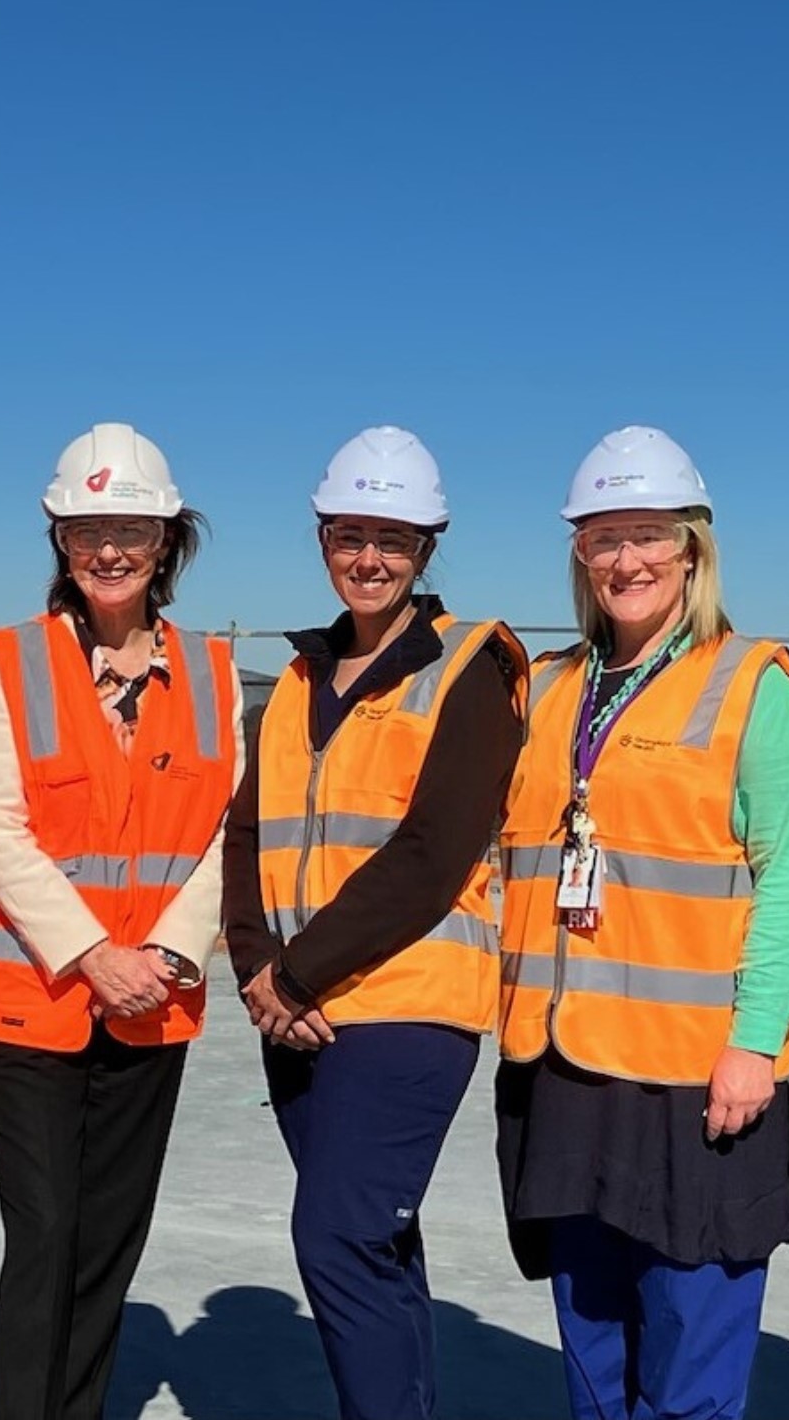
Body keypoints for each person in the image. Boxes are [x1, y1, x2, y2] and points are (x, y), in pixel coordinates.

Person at [495, 428, 789, 1420]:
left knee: (690, 1351)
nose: (626, 561)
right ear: (579, 557)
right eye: (603, 539)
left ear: (692, 550)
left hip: (694, 1081)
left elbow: (788, 883)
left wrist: (754, 1044)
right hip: (564, 1067)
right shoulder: (548, 689)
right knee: (593, 1347)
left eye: (648, 535)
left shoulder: (753, 687)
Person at [222, 425, 525, 1420]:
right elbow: (248, 831)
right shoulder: (297, 680)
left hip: (405, 1005)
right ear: (322, 537)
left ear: (426, 549)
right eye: (351, 534)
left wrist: (297, 972)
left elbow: (434, 852)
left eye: (393, 539)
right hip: (296, 1012)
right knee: (377, 1243)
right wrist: (260, 972)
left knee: (339, 1236)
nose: (369, 558)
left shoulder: (467, 667)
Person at [0, 423, 239, 1420]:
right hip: (36, 1001)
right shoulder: (6, 662)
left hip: (153, 1000)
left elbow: (224, 833)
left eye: (130, 528)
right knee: (45, 1233)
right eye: (87, 530)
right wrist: (91, 953)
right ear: (59, 541)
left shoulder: (212, 672)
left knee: (110, 1240)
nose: (108, 550)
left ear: (166, 541)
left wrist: (162, 950)